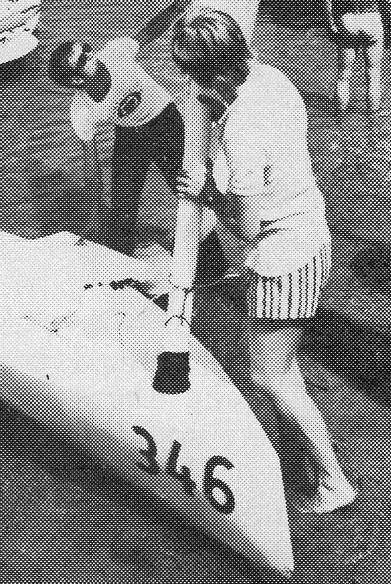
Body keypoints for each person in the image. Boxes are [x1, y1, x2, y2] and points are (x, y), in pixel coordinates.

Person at [171, 9, 357, 513]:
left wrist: (186, 282)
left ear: (212, 76)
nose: (181, 85)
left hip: (278, 256)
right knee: (265, 362)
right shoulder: (270, 79)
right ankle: (312, 464)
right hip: (305, 233)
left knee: (270, 372)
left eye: (189, 76)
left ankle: (334, 479)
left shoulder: (240, 133)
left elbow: (236, 225)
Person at [47, 1, 192, 256]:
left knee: (190, 191)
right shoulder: (82, 111)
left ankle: (215, 266)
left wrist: (178, 6)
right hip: (130, 136)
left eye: (87, 50)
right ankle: (119, 268)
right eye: (83, 59)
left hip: (166, 121)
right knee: (119, 212)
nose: (92, 55)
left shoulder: (115, 52)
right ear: (77, 80)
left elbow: (151, 30)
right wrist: (96, 213)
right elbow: (91, 169)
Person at [324, 0, 388, 115]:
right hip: (372, 18)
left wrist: (330, 23)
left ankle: (340, 110)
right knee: (373, 72)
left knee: (344, 73)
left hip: (348, 19)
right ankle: (374, 111)